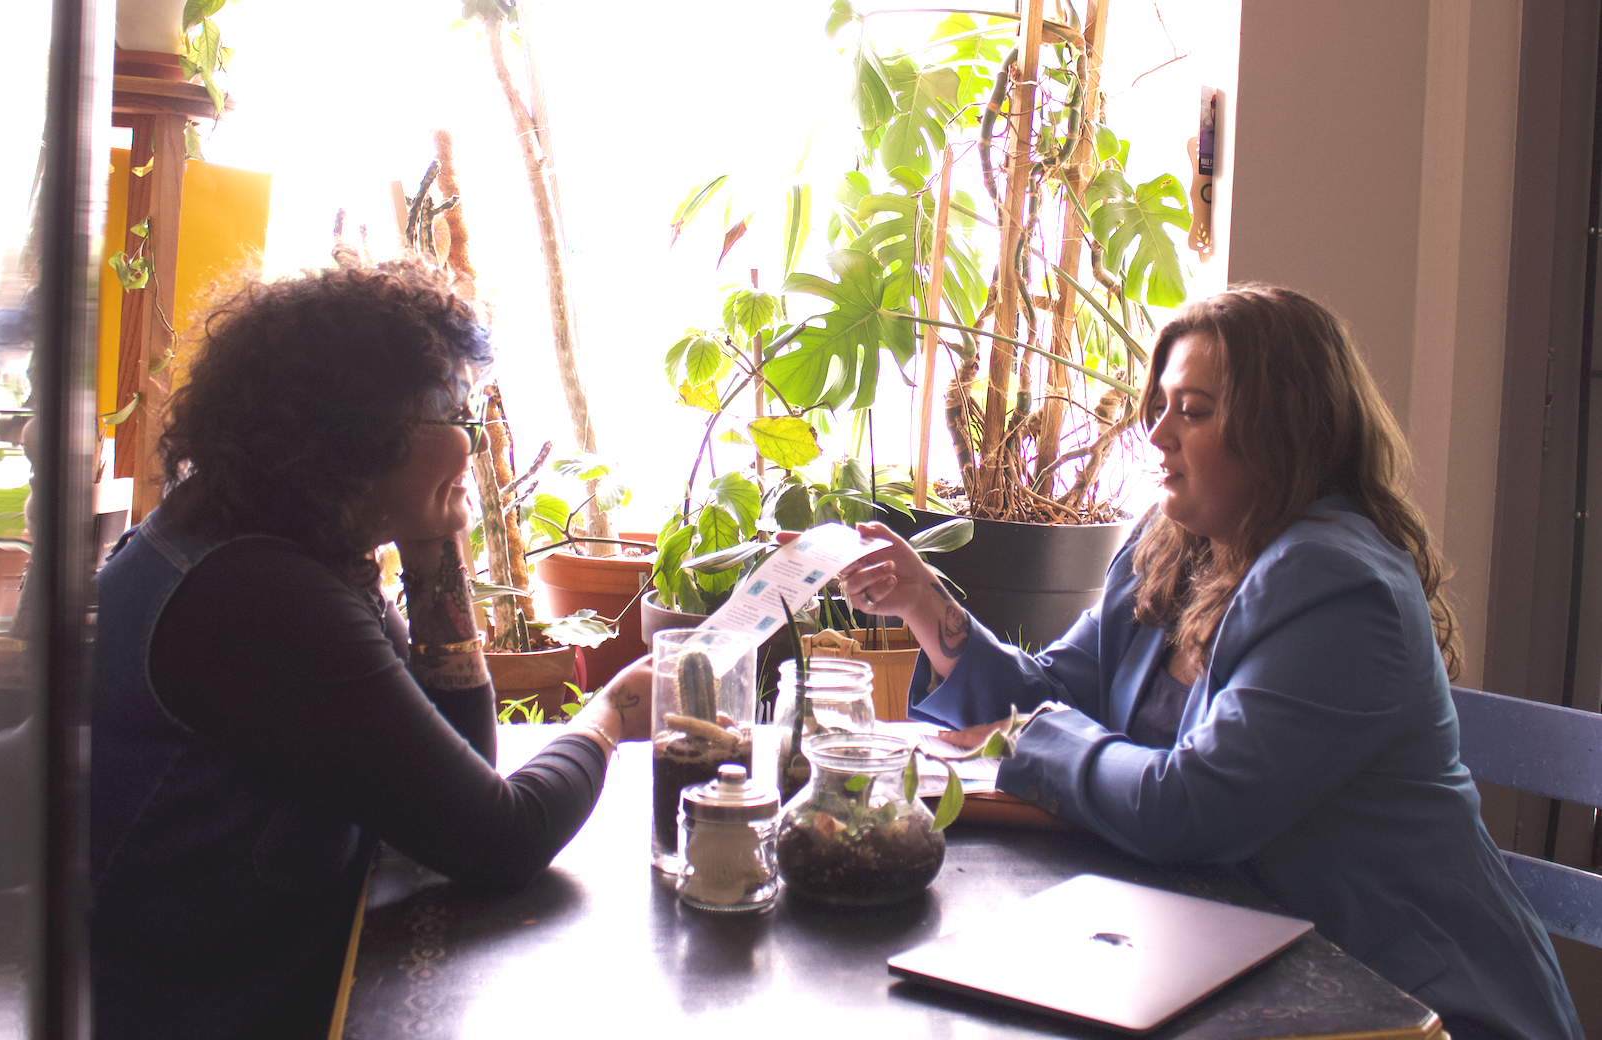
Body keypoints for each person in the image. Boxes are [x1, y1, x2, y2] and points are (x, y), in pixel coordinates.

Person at [837, 285, 1582, 1040]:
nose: (1156, 434)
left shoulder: (1339, 590)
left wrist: (1036, 735)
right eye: (1159, 406)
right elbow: (1055, 694)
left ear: (1283, 430)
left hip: (1407, 1005)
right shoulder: (1171, 546)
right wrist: (926, 604)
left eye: (1192, 411)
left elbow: (1188, 808)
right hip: (1239, 966)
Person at [90, 260, 653, 1040]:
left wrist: (433, 550)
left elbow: (449, 777)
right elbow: (499, 838)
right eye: (456, 414)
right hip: (222, 1013)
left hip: (267, 981)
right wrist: (613, 714)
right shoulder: (258, 596)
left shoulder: (257, 543)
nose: (470, 440)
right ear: (366, 433)